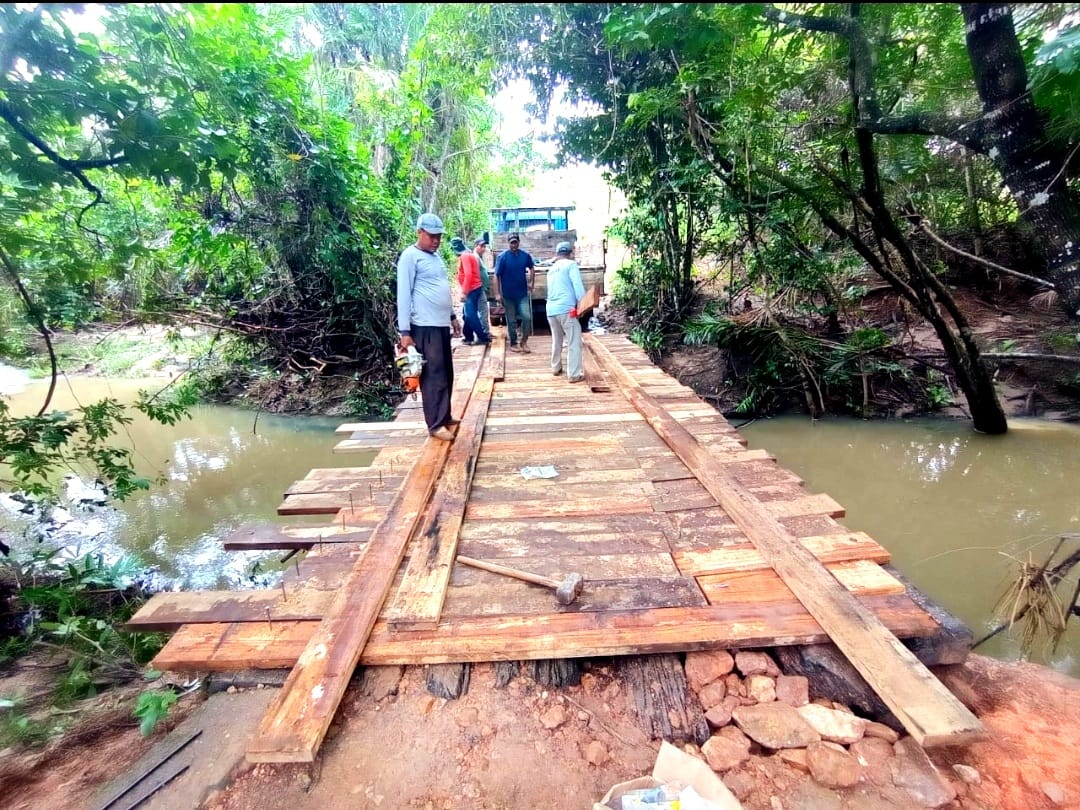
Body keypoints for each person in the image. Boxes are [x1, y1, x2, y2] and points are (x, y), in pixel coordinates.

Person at [396, 213, 462, 440]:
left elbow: (442, 289)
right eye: (432, 236)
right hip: (424, 325)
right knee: (433, 376)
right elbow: (403, 294)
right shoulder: (410, 257)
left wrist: (453, 316)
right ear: (419, 233)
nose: (436, 241)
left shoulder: (436, 258)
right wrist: (405, 331)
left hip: (441, 323)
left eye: (439, 237)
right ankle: (435, 425)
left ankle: (445, 416)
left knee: (447, 373)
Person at [546, 241, 587, 383]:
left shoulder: (551, 269)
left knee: (557, 339)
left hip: (551, 310)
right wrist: (582, 306)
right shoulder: (571, 265)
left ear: (558, 254)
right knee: (574, 340)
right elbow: (578, 286)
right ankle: (574, 374)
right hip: (566, 309)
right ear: (570, 253)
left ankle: (555, 367)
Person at [494, 232, 535, 353]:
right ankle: (513, 343)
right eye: (511, 242)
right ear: (508, 243)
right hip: (508, 295)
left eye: (515, 242)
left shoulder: (525, 256)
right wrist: (497, 293)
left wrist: (531, 282)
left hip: (522, 294)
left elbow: (532, 267)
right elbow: (496, 276)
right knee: (511, 320)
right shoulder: (503, 257)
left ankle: (524, 341)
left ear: (518, 242)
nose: (514, 245)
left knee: (527, 317)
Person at [451, 236, 490, 345]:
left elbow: (468, 274)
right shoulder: (469, 255)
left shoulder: (465, 256)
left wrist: (464, 292)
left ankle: (483, 337)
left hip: (471, 289)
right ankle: (468, 336)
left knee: (470, 314)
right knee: (466, 313)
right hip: (474, 287)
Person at [474, 237, 492, 333]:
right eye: (481, 246)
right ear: (476, 246)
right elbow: (476, 273)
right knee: (483, 311)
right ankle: (484, 333)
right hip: (479, 288)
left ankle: (485, 332)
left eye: (484, 246)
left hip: (482, 287)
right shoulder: (476, 257)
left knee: (483, 310)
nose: (483, 248)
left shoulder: (480, 257)